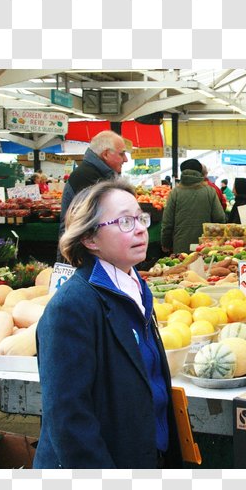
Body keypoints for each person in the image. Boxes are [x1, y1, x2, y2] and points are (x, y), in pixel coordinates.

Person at [34, 179, 183, 469]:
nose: (141, 228)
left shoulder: (136, 288)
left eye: (140, 218)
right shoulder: (71, 308)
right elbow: (69, 421)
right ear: (90, 239)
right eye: (125, 221)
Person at [58, 130, 128, 257]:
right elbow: (97, 221)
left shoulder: (97, 174)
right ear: (106, 154)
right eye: (122, 154)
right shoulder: (87, 177)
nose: (126, 159)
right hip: (83, 256)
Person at [161, 159, 226, 254]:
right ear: (200, 173)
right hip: (205, 246)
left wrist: (166, 243)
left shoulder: (175, 193)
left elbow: (167, 223)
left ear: (182, 173)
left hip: (180, 245)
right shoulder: (210, 192)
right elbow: (220, 218)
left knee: (183, 267)